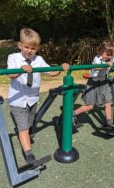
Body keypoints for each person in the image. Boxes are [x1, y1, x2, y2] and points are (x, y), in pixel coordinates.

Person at [7, 28, 70, 164]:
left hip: (32, 99)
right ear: (20, 45)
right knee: (23, 128)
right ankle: (29, 156)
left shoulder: (39, 59)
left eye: (33, 48)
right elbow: (10, 74)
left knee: (29, 124)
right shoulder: (13, 58)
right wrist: (21, 69)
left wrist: (60, 67)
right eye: (26, 47)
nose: (29, 51)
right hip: (17, 100)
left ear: (38, 48)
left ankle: (21, 128)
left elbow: (51, 72)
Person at [73, 39, 114, 128]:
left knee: (107, 102)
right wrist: (106, 64)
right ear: (100, 52)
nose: (109, 57)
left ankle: (108, 122)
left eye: (111, 55)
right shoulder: (97, 58)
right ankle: (73, 114)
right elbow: (97, 68)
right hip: (94, 83)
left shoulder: (111, 58)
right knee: (91, 106)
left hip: (104, 82)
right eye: (107, 54)